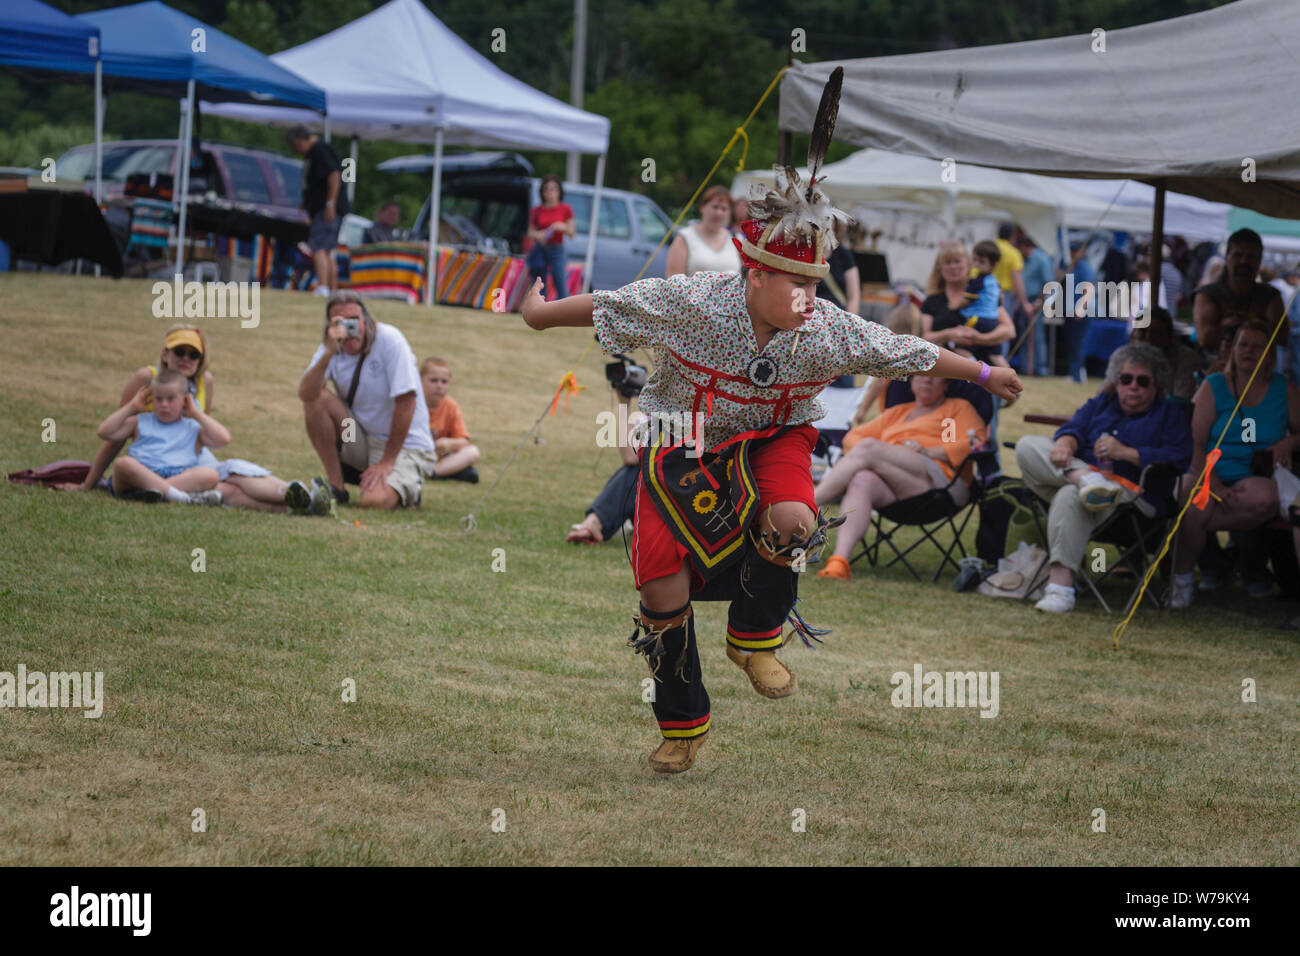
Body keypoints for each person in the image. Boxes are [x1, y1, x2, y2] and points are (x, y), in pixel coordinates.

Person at [520, 166, 1021, 774]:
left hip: (776, 435)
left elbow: (900, 350)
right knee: (661, 588)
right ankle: (682, 723)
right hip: (681, 436)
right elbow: (614, 304)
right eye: (796, 285)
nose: (810, 299)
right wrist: (540, 315)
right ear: (754, 275)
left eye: (816, 284)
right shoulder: (694, 302)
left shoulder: (825, 327)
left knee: (793, 519)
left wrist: (985, 374)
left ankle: (754, 638)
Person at [64, 325, 327, 515]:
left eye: (193, 355)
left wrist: (197, 419)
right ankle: (292, 503)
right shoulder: (147, 378)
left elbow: (205, 435)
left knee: (231, 473)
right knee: (223, 487)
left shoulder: (204, 381)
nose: (186, 360)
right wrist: (88, 483)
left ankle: (295, 497)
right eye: (179, 352)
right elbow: (112, 438)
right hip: (151, 462)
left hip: (188, 460)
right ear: (165, 354)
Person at [1015, 343, 1192, 613]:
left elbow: (1179, 456)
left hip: (1133, 499)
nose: (1133, 386)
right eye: (1126, 379)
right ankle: (1084, 477)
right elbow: (1073, 427)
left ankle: (1060, 588)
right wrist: (1065, 443)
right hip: (1088, 483)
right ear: (1115, 382)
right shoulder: (1101, 404)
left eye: (1143, 381)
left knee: (1069, 494)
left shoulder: (1169, 415)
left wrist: (1128, 453)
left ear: (1157, 386)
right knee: (1027, 445)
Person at [1169, 319, 1300, 608]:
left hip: (1250, 477)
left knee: (1266, 497)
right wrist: (1211, 481)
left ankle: (1193, 532)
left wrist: (1288, 442)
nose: (1249, 352)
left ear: (1270, 354)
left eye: (1257, 347)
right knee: (1194, 495)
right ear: (1232, 350)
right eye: (1243, 345)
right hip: (1206, 470)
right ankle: (1181, 580)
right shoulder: (1213, 385)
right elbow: (1195, 442)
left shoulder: (1284, 389)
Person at [813, 376, 987, 581]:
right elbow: (853, 437)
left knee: (869, 448)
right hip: (898, 483)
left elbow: (972, 442)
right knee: (862, 479)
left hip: (939, 482)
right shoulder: (898, 413)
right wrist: (888, 454)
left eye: (935, 378)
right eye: (920, 377)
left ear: (946, 385)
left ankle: (807, 504)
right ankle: (839, 562)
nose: (927, 381)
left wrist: (930, 451)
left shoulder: (951, 411)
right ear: (911, 382)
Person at [299, 292, 437, 509]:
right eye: (341, 322)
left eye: (354, 320)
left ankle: (407, 488)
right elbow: (306, 394)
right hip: (359, 439)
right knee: (318, 399)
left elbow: (407, 402)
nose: (350, 328)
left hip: (404, 447)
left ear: (366, 319)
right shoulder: (333, 345)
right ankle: (337, 488)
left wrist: (387, 461)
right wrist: (328, 353)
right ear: (331, 325)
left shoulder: (390, 340)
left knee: (373, 502)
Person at [96, 369, 229, 505]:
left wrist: (196, 413)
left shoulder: (193, 427)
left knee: (210, 474)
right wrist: (131, 406)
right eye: (158, 399)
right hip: (140, 474)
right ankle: (182, 498)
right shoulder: (140, 421)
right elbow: (104, 432)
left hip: (178, 476)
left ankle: (150, 493)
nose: (164, 405)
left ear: (185, 399)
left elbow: (223, 439)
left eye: (171, 399)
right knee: (122, 464)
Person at [1192, 228, 1286, 362]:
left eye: (1251, 256)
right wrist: (1255, 323)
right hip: (1214, 371)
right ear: (1227, 258)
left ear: (1259, 261)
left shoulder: (1270, 295)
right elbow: (1205, 339)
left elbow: (1282, 337)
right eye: (1238, 255)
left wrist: (1231, 324)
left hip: (1258, 375)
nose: (1244, 261)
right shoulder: (1207, 294)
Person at [567, 389, 642, 544]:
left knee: (641, 470)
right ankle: (594, 522)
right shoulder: (654, 411)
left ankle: (595, 523)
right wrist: (624, 405)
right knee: (637, 470)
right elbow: (631, 457)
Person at [286, 126, 349, 297]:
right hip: (325, 207)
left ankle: (323, 287)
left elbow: (334, 176)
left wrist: (329, 204)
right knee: (328, 249)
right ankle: (331, 289)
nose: (295, 150)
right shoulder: (319, 151)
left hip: (326, 209)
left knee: (319, 247)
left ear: (299, 139)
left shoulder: (320, 151)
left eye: (294, 146)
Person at [420, 357, 481, 482]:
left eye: (444, 382)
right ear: (420, 380)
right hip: (416, 454)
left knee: (473, 452)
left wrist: (449, 444)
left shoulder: (450, 406)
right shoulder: (413, 403)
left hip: (440, 458)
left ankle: (433, 472)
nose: (439, 386)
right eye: (433, 380)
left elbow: (464, 441)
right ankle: (453, 472)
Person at [1129, 306, 1204, 403]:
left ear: (1169, 337)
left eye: (1156, 333)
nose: (1148, 338)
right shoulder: (1123, 356)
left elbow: (1180, 403)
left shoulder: (1185, 359)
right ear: (1132, 335)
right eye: (1142, 331)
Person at [665, 185, 741, 277]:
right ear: (702, 207)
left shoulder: (737, 238)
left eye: (724, 209)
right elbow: (673, 280)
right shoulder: (684, 237)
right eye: (715, 207)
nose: (719, 213)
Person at [961, 240, 1011, 373]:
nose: (976, 265)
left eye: (981, 262)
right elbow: (1000, 300)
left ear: (993, 264)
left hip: (977, 319)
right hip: (993, 320)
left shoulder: (978, 281)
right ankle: (1012, 381)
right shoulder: (994, 281)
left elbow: (966, 300)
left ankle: (974, 370)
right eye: (975, 260)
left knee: (961, 349)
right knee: (996, 355)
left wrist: (954, 305)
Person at [526, 175, 574, 300]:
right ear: (542, 192)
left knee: (560, 283)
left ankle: (565, 315)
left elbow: (572, 233)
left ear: (559, 191)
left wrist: (561, 227)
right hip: (541, 249)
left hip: (556, 249)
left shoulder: (565, 209)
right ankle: (540, 313)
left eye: (554, 189)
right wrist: (538, 235)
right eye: (546, 189)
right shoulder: (537, 210)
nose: (550, 192)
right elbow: (530, 233)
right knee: (539, 285)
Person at [1016, 233, 1056, 377]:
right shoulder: (1024, 260)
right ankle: (1026, 367)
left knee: (1037, 336)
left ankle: (1040, 369)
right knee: (1024, 336)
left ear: (1025, 247)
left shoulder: (1041, 259)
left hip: (1036, 301)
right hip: (1025, 300)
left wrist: (1039, 301)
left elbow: (1048, 283)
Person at [1063, 240, 1097, 384]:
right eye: (1071, 251)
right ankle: (1074, 372)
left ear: (1082, 253)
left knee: (1078, 343)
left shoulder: (1085, 268)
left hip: (1080, 311)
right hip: (1069, 310)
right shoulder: (1070, 266)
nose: (1073, 254)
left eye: (1076, 251)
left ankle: (1077, 375)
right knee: (1072, 343)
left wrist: (1081, 308)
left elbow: (1088, 289)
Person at [815, 219, 860, 315]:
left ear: (835, 224)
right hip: (811, 316)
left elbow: (853, 296)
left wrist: (849, 324)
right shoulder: (803, 254)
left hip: (838, 317)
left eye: (828, 219)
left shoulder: (844, 255)